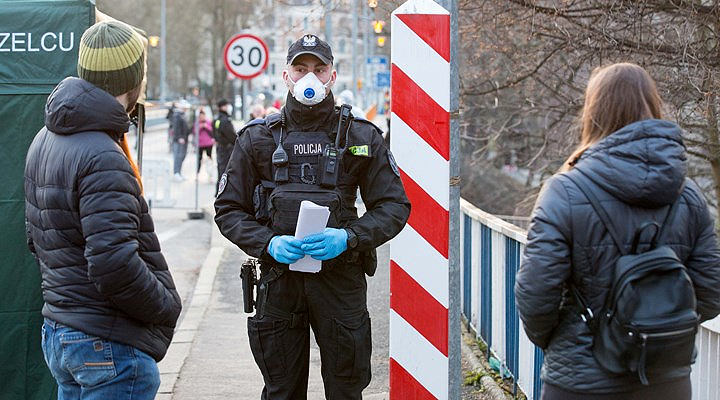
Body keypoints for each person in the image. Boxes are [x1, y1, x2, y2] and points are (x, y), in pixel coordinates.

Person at [214, 34, 410, 399]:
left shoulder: (361, 136)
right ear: (285, 76)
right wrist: (267, 242)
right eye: (301, 69)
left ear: (333, 76)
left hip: (340, 281)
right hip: (278, 281)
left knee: (346, 389)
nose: (310, 78)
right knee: (281, 391)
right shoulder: (257, 139)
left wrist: (349, 238)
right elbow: (227, 209)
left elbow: (394, 206)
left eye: (319, 70)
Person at [515, 63, 720, 400]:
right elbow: (710, 293)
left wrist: (566, 340)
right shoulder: (690, 195)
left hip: (581, 383)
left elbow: (536, 294)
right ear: (654, 106)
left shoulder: (564, 191)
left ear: (594, 112)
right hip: (665, 381)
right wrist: (658, 330)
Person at [24, 20, 182, 400]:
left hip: (62, 332)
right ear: (135, 79)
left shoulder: (46, 137)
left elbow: (36, 240)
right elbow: (113, 263)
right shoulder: (101, 154)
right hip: (105, 342)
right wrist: (165, 305)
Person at [213, 98, 236, 191]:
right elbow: (230, 134)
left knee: (221, 170)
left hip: (220, 147)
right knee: (225, 171)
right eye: (226, 105)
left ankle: (218, 190)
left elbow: (214, 132)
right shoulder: (225, 120)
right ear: (222, 107)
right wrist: (237, 141)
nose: (228, 107)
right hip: (227, 149)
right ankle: (223, 191)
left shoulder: (217, 118)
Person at [171, 100, 191, 181]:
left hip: (184, 139)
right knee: (178, 156)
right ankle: (176, 172)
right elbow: (176, 128)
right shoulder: (177, 115)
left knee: (182, 156)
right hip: (179, 140)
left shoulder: (183, 115)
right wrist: (179, 137)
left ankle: (179, 172)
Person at [194, 108, 215, 178]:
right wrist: (200, 127)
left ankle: (211, 174)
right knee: (199, 159)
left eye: (203, 116)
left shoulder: (208, 122)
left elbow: (212, 131)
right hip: (200, 144)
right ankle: (197, 174)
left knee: (209, 158)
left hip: (208, 143)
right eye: (200, 116)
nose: (202, 117)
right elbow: (194, 132)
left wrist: (206, 126)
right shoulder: (197, 123)